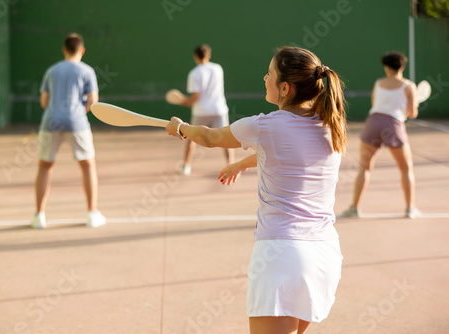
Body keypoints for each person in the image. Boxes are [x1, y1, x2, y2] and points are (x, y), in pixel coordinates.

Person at [167, 46, 347, 334]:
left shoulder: (265, 126)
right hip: (325, 255)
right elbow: (289, 156)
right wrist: (242, 164)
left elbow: (210, 137)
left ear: (285, 88)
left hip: (282, 255)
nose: (264, 78)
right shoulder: (331, 125)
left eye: (270, 74)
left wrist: (180, 127)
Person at [31, 33, 106, 229]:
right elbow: (93, 102)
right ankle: (92, 214)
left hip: (50, 122)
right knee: (88, 166)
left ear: (64, 49)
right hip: (77, 122)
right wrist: (78, 111)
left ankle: (39, 216)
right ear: (82, 51)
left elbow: (44, 102)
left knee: (45, 166)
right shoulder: (87, 71)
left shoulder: (51, 70)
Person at [341, 52, 420, 219]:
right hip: (393, 125)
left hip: (373, 122)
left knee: (364, 168)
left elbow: (375, 105)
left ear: (386, 68)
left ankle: (354, 208)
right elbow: (412, 113)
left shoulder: (379, 83)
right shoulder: (409, 86)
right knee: (406, 168)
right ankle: (410, 209)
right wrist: (410, 109)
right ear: (402, 67)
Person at [178, 44, 234, 175]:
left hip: (201, 111)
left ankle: (186, 166)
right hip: (219, 110)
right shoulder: (218, 69)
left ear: (195, 57)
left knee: (190, 137)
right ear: (208, 55)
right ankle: (231, 166)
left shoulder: (194, 73)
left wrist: (184, 102)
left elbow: (195, 98)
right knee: (227, 138)